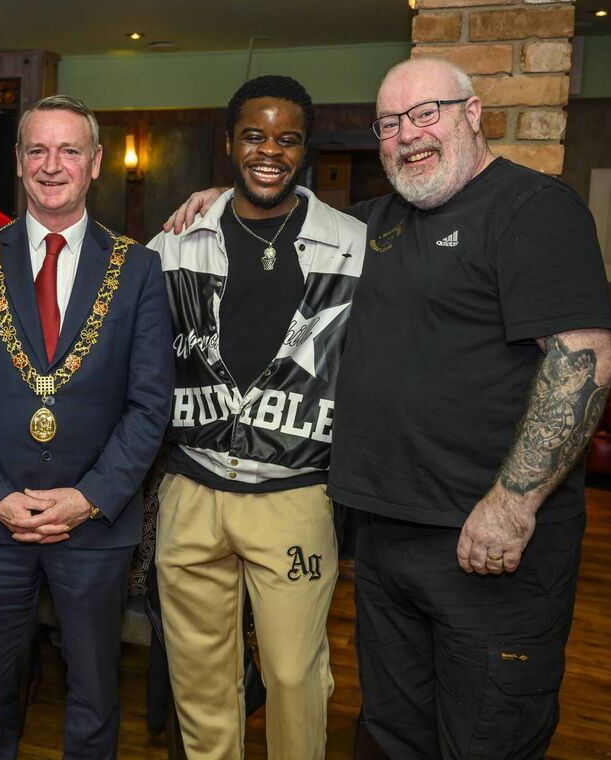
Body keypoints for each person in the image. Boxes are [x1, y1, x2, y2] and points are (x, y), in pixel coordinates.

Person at [165, 57, 611, 760]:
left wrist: (512, 504)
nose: (408, 135)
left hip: (486, 540)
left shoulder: (533, 208)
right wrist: (220, 197)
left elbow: (586, 360)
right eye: (389, 123)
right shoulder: (372, 225)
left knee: (485, 733)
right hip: (383, 534)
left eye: (425, 113)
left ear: (473, 114)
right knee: (392, 731)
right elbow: (280, 219)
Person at [0, 94, 173, 760]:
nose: (52, 164)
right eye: (37, 149)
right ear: (18, 161)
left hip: (93, 525)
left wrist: (89, 497)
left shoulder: (140, 268)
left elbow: (152, 404)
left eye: (69, 150)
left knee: (94, 693)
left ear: (95, 163)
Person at [147, 75, 365, 760]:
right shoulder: (177, 240)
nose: (269, 151)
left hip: (294, 493)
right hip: (192, 490)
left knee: (296, 675)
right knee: (200, 681)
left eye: (286, 138)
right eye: (254, 136)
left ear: (304, 148)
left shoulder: (353, 244)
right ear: (229, 143)